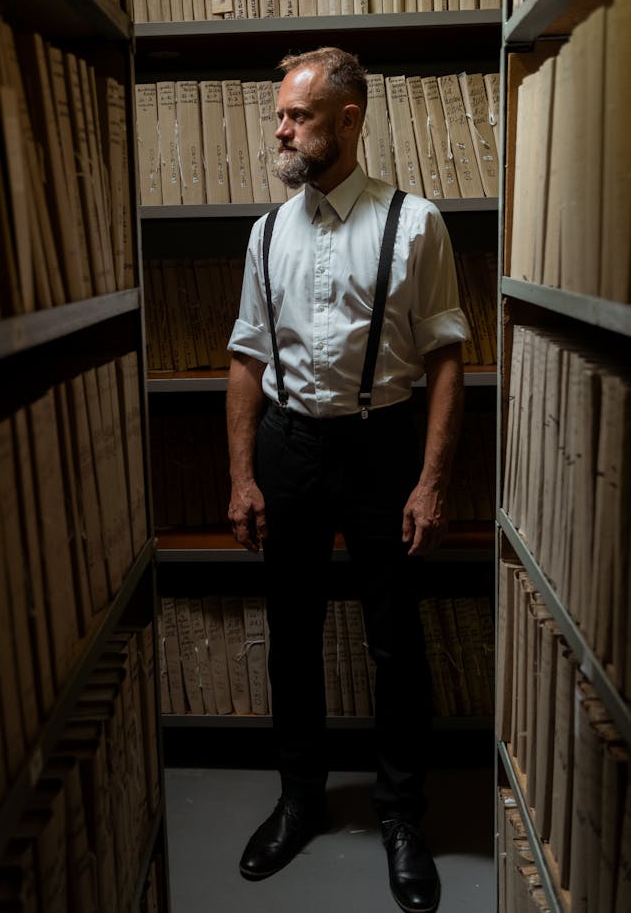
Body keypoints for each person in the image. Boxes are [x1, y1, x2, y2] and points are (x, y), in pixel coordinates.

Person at [225, 47, 469, 913]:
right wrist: (243, 476)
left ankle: (402, 816)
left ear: (349, 120)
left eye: (297, 115)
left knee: (396, 639)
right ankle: (299, 800)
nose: (281, 130)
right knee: (292, 635)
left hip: (381, 448)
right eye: (281, 116)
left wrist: (432, 481)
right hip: (290, 450)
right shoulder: (265, 232)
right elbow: (247, 360)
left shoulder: (413, 222)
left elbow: (446, 359)